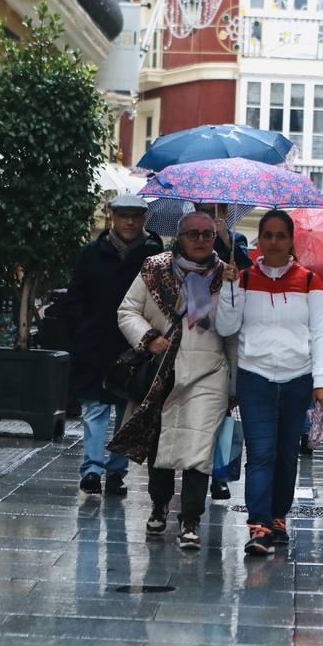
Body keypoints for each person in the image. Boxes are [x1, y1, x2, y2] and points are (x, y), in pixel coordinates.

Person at [110, 211, 237, 550]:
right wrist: (149, 338)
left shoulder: (225, 274)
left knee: (199, 448)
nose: (200, 240)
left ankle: (191, 518)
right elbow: (127, 310)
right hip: (161, 370)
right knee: (161, 444)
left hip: (208, 372)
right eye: (193, 233)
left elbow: (233, 334)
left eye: (207, 234)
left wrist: (235, 383)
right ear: (179, 237)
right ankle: (159, 504)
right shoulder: (154, 268)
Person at [217, 210, 323, 555]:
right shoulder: (243, 279)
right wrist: (228, 287)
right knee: (261, 453)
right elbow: (225, 327)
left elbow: (321, 334)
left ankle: (278, 517)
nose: (273, 242)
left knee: (286, 455)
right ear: (259, 238)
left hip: (298, 380)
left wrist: (322, 380)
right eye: (267, 235)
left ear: (291, 240)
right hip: (255, 378)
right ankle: (259, 525)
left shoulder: (311, 282)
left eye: (281, 235)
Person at [63, 196, 165, 495]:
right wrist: (81, 330)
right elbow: (76, 295)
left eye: (135, 216)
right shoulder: (92, 252)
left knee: (126, 410)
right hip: (95, 342)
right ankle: (92, 470)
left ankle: (116, 471)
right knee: (95, 408)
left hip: (135, 344)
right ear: (113, 217)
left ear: (144, 219)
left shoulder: (154, 254)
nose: (129, 222)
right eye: (123, 216)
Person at [193, 202, 247, 499]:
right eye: (207, 209)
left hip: (231, 331)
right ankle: (200, 469)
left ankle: (220, 473)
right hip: (202, 327)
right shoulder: (191, 238)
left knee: (226, 403)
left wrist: (225, 238)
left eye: (219, 210)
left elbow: (247, 269)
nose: (214, 215)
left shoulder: (236, 240)